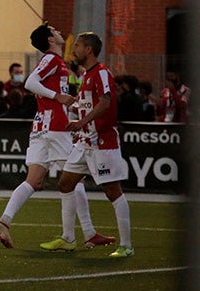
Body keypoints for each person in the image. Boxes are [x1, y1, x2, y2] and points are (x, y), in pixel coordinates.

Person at [0, 23, 114, 250]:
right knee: (74, 177)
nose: (59, 32)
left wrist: (70, 105)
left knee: (34, 180)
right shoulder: (52, 59)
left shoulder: (55, 62)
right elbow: (30, 82)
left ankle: (4, 220)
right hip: (55, 126)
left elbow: (45, 91)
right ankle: (87, 233)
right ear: (50, 40)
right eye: (55, 31)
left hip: (41, 126)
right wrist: (58, 96)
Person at [40, 31, 135, 258]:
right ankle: (68, 238)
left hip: (102, 142)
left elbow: (106, 101)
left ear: (88, 50)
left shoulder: (101, 73)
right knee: (65, 183)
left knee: (112, 191)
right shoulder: (86, 76)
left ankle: (127, 245)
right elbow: (92, 104)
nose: (74, 51)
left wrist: (82, 121)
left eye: (78, 47)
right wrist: (76, 111)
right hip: (84, 142)